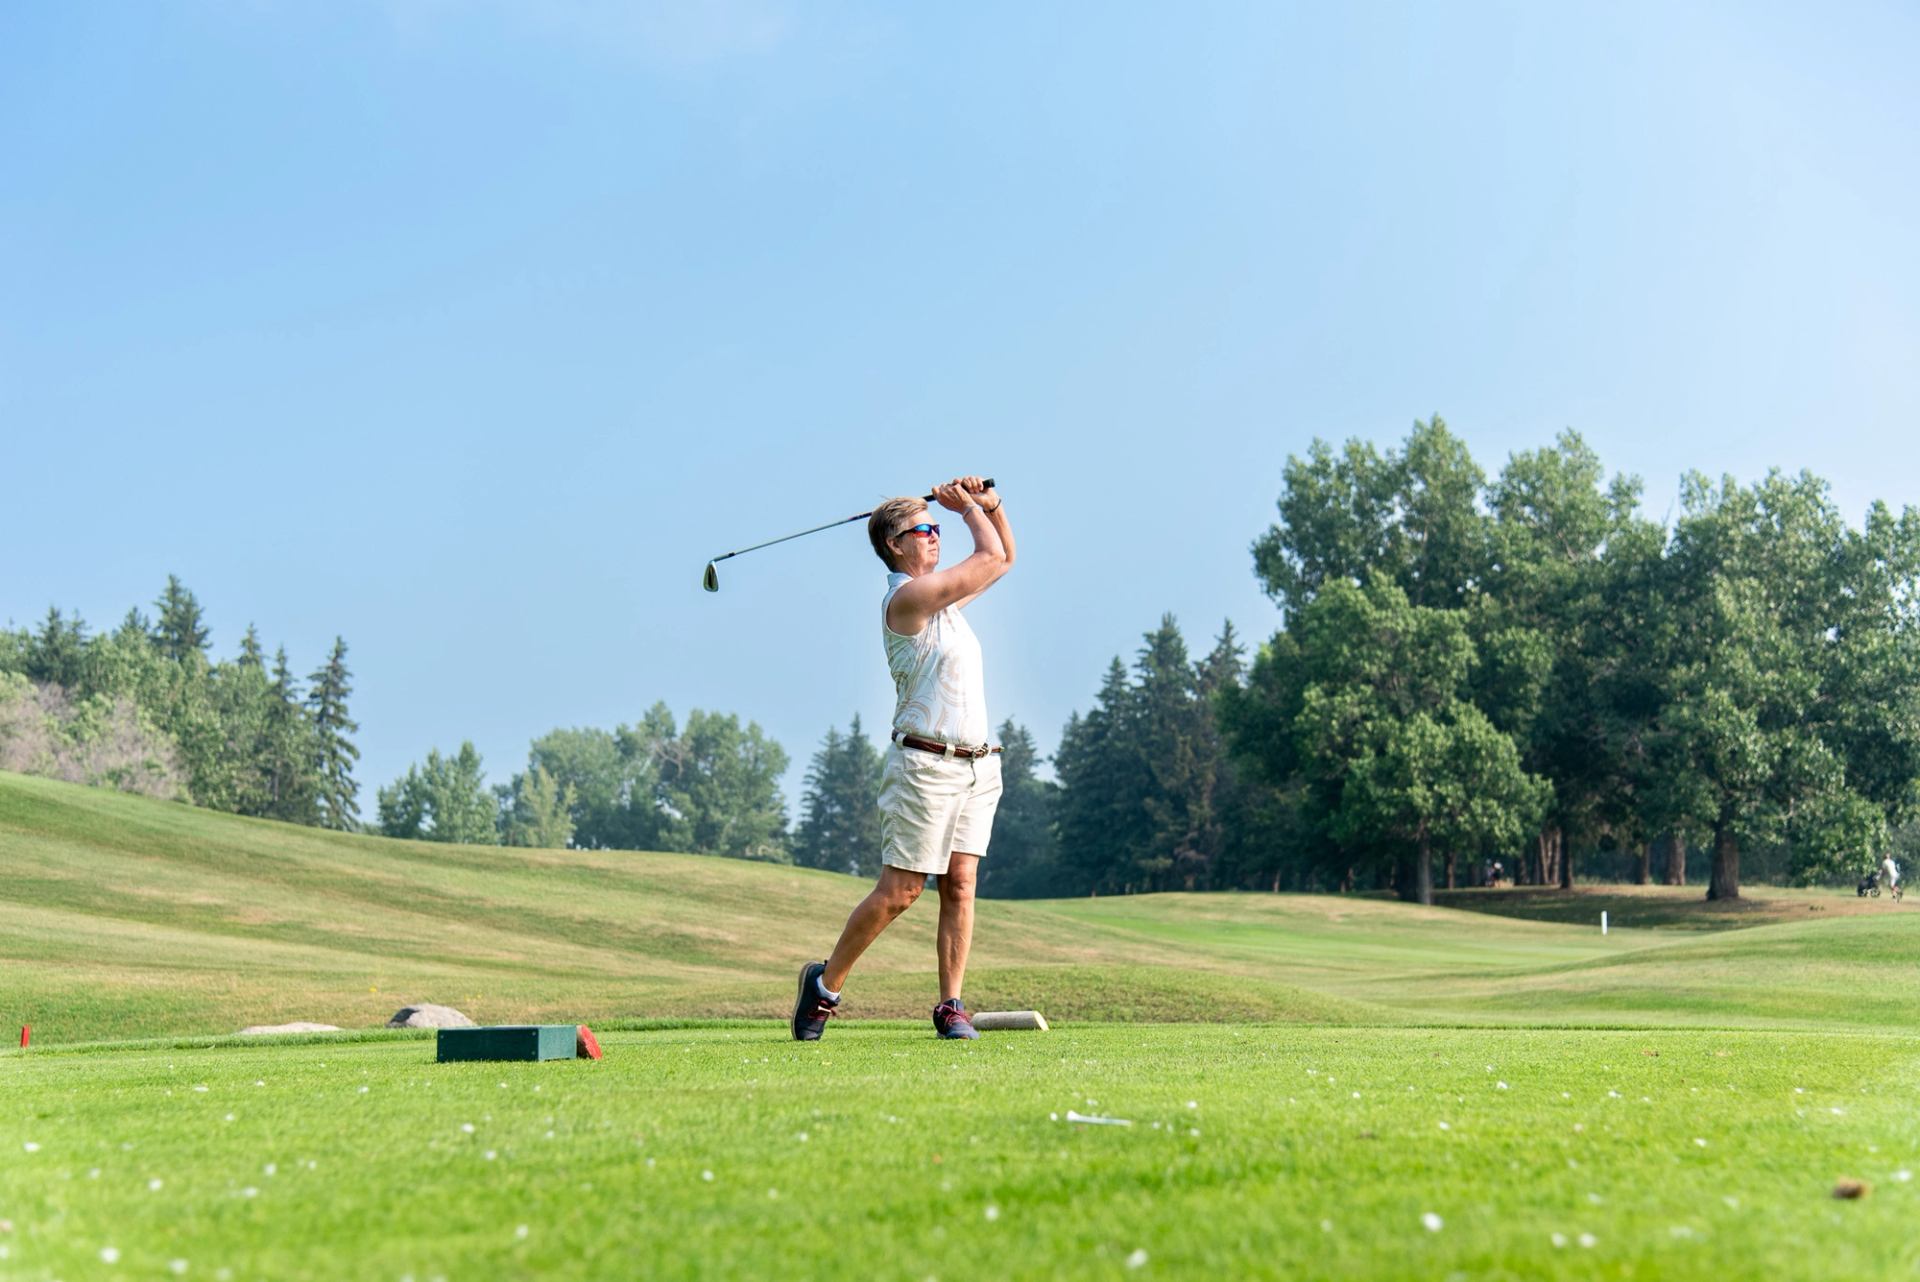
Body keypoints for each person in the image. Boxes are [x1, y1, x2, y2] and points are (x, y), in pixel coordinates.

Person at [792, 475, 1013, 1041]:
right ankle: (824, 986)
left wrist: (993, 505)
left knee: (960, 885)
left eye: (938, 527)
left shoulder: (944, 600)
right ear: (895, 544)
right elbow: (987, 555)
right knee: (902, 891)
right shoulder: (907, 599)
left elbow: (1004, 558)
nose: (936, 537)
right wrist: (968, 511)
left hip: (977, 766)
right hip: (924, 767)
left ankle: (950, 1006)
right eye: (925, 529)